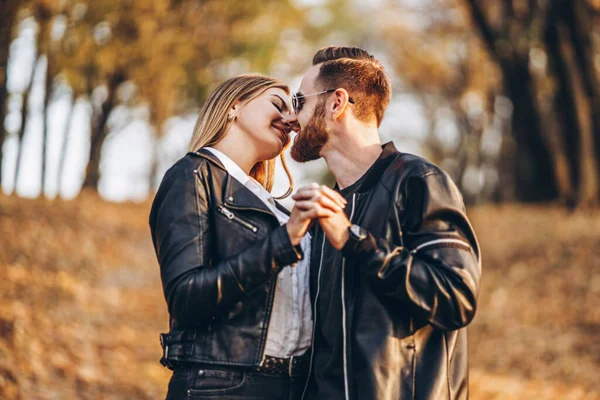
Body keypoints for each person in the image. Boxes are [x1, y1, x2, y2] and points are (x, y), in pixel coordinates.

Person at [289, 46, 482, 400]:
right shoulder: (319, 216)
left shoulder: (418, 181)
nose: (291, 117)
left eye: (299, 100)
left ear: (336, 102)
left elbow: (457, 297)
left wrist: (354, 241)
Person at [149, 74, 346, 400]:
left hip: (292, 388)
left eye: (294, 110)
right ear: (233, 106)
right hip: (220, 386)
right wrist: (285, 241)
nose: (291, 120)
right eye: (277, 104)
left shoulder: (275, 205)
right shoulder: (193, 176)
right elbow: (185, 298)